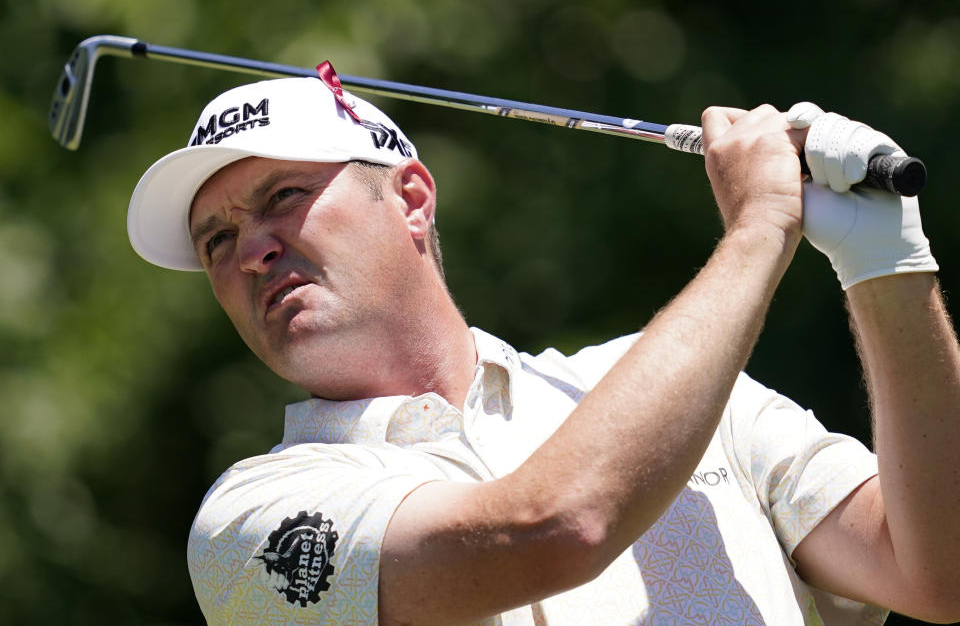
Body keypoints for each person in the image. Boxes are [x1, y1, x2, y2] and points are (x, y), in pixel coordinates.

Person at [126, 70, 960, 626]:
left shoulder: (685, 391)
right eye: (216, 240)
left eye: (284, 196)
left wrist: (888, 267)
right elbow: (557, 527)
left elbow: (936, 573)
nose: (252, 251)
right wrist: (760, 230)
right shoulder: (251, 520)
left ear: (412, 199)